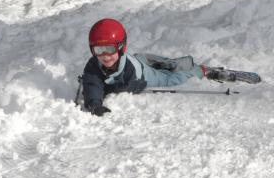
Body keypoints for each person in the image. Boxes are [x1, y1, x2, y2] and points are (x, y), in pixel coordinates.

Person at [81, 18, 260, 116]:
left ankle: (202, 71)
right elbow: (92, 85)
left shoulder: (128, 72)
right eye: (99, 49)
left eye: (109, 49)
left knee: (171, 77)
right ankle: (182, 65)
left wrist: (99, 96)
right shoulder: (94, 65)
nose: (104, 55)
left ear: (121, 47)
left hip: (144, 73)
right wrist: (95, 103)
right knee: (167, 65)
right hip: (139, 59)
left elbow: (116, 87)